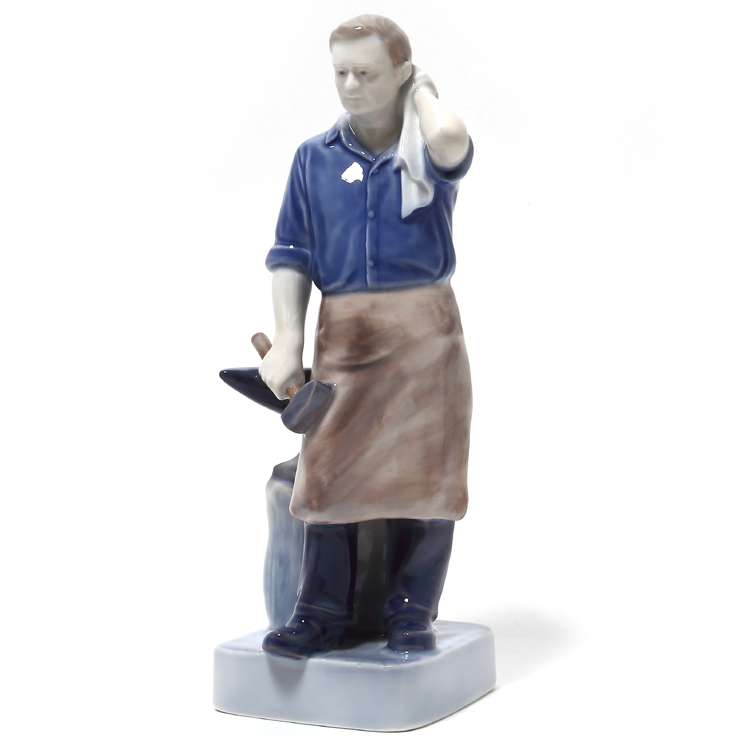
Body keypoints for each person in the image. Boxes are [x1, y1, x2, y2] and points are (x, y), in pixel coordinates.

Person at [259, 14, 473, 658]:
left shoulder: (425, 152)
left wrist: (423, 90)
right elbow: (292, 254)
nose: (351, 86)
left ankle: (412, 611)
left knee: (426, 481)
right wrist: (288, 339)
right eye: (341, 73)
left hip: (426, 336)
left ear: (400, 73)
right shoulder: (314, 158)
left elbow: (451, 139)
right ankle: (321, 612)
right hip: (347, 338)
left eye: (367, 73)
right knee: (326, 480)